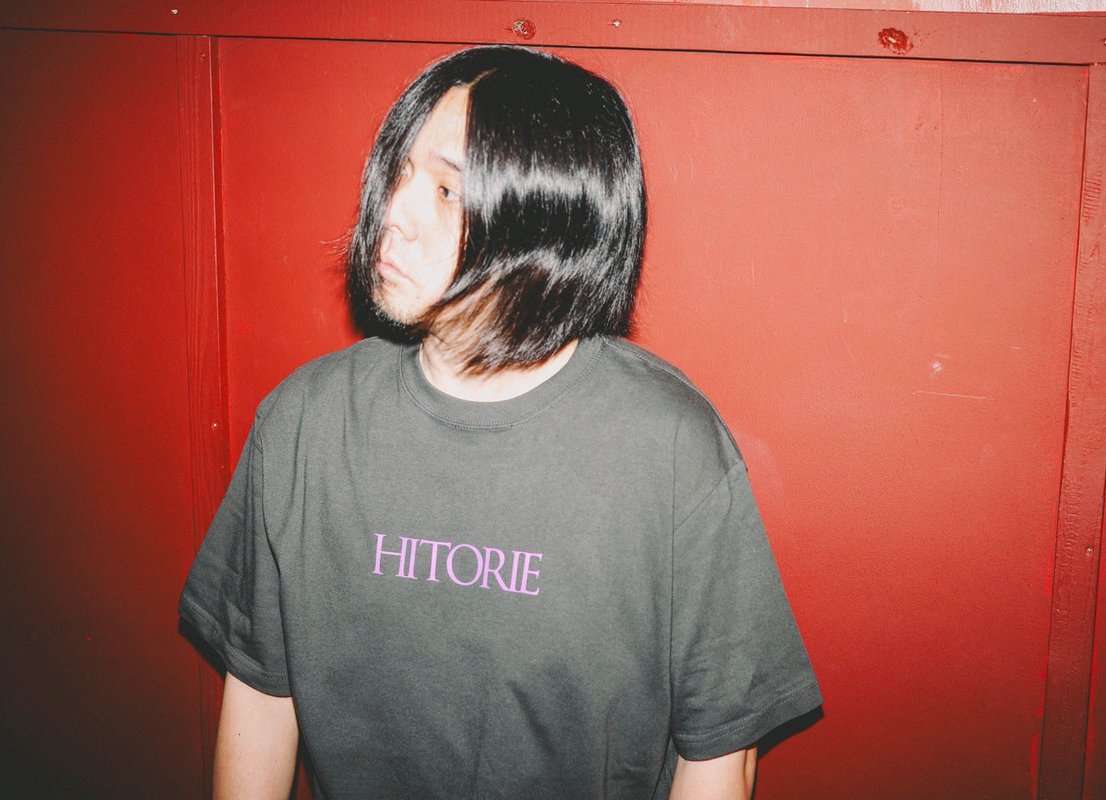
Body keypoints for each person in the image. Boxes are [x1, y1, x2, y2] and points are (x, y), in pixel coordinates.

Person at [179, 44, 821, 799]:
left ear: (548, 222)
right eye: (401, 173)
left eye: (447, 190)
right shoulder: (305, 421)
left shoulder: (670, 448)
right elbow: (260, 697)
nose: (394, 213)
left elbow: (718, 754)